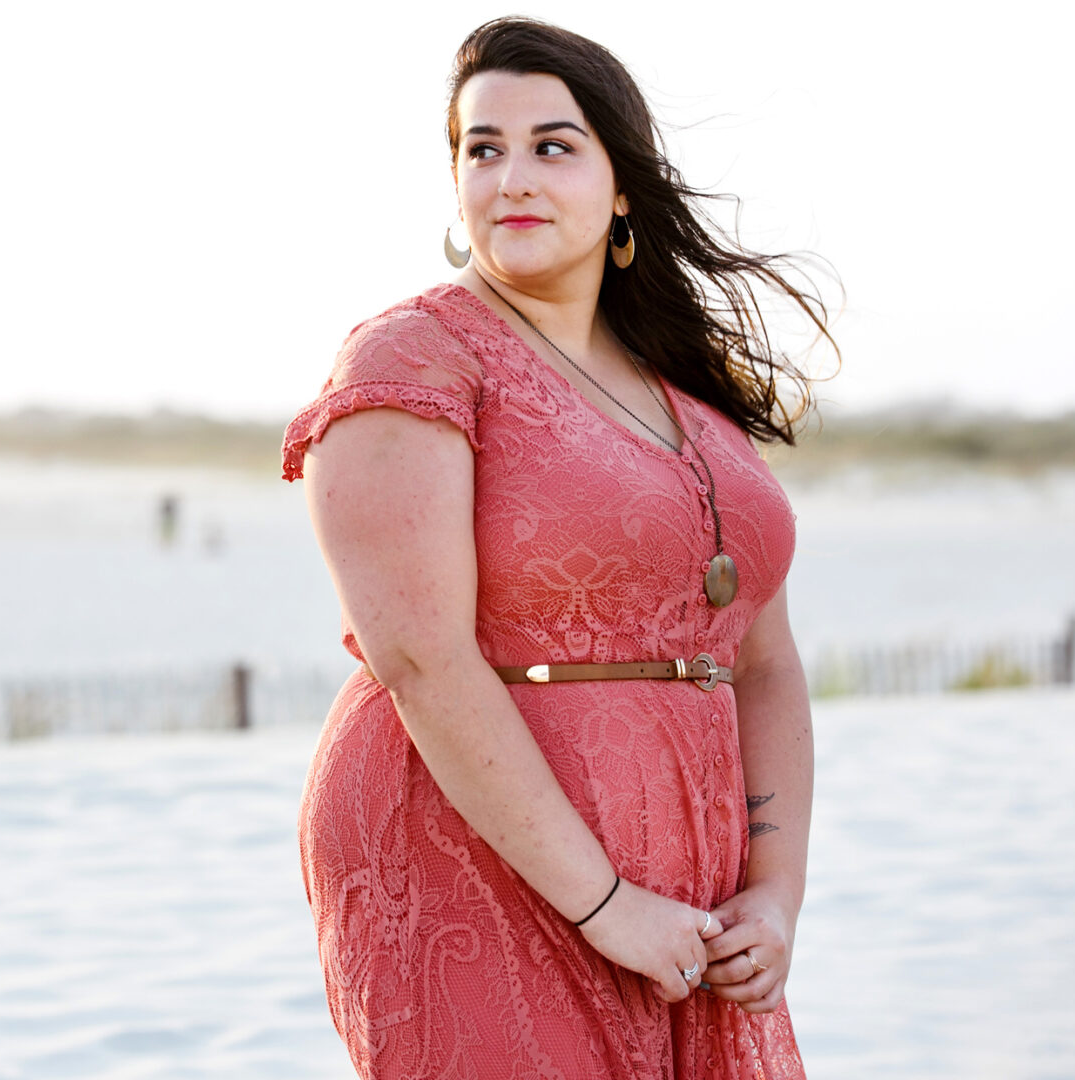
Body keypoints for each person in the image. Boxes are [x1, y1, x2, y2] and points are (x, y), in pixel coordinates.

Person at [280, 17, 836, 1080]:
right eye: (482, 149)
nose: (512, 178)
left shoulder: (686, 392)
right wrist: (606, 904)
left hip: (690, 901)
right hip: (467, 860)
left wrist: (776, 894)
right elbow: (420, 658)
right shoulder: (413, 358)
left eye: (552, 145)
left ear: (623, 184)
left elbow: (762, 661)